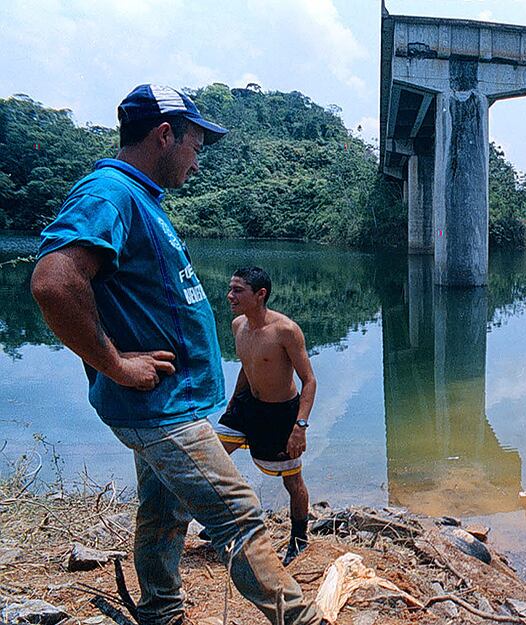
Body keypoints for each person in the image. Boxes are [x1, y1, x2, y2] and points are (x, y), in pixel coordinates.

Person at [30, 84, 321, 625]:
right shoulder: (108, 194)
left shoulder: (140, 198)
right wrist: (115, 364)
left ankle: (161, 611)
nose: (198, 157)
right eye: (196, 144)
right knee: (240, 515)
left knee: (163, 510)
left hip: (168, 403)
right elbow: (53, 282)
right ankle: (298, 619)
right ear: (165, 135)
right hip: (158, 410)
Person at [214, 266, 316, 565]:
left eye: (237, 290)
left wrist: (300, 427)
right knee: (212, 456)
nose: (230, 296)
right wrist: (233, 404)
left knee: (292, 481)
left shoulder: (285, 330)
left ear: (260, 295)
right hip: (246, 406)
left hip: (280, 414)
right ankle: (228, 519)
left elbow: (309, 380)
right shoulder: (238, 326)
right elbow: (248, 368)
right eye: (230, 288)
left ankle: (299, 539)